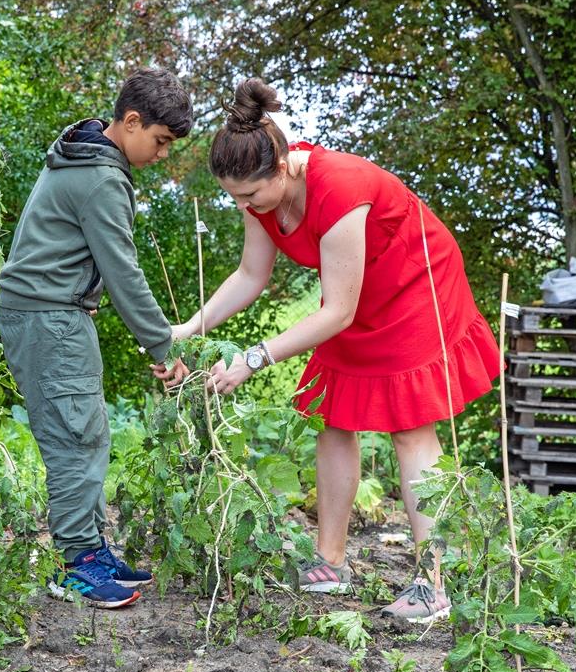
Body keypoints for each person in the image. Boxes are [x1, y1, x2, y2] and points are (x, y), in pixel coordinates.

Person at [170, 78, 499, 622]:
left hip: (414, 286)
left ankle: (434, 581)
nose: (242, 205)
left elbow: (337, 313)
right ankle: (330, 560)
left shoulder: (340, 189)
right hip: (352, 294)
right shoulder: (260, 202)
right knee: (330, 415)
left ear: (282, 167)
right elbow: (251, 276)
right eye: (233, 196)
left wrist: (253, 359)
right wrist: (190, 327)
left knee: (410, 426)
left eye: (249, 194)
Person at [0, 68, 192, 609]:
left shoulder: (84, 158)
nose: (161, 154)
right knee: (75, 438)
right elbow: (123, 271)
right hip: (49, 317)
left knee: (86, 433)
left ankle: (88, 549)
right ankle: (77, 566)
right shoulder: (101, 179)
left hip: (48, 314)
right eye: (159, 141)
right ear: (131, 122)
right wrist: (163, 345)